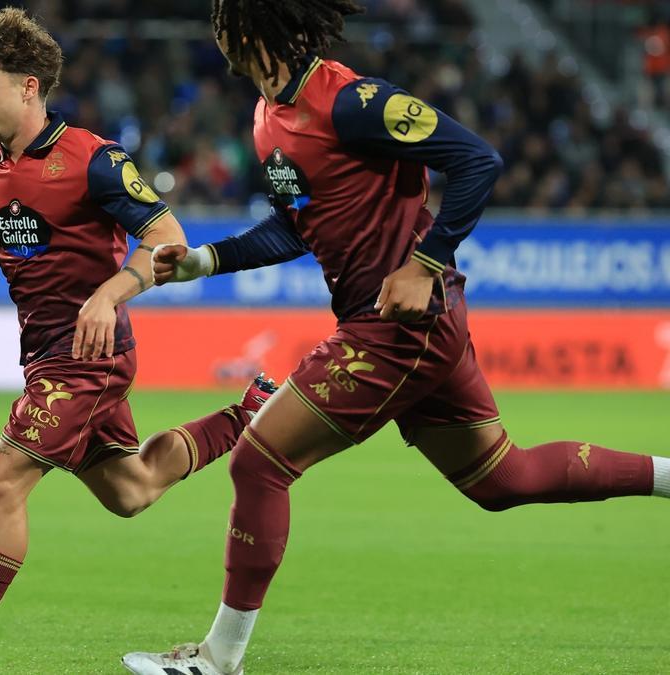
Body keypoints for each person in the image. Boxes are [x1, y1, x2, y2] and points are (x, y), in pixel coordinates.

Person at [121, 2, 670, 673]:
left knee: (259, 459)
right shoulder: (268, 122)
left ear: (247, 34)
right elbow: (296, 227)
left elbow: (478, 160)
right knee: (504, 476)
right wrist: (206, 260)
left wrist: (426, 261)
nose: (219, 39)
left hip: (401, 326)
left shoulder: (353, 101)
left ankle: (218, 659)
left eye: (225, 25)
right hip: (397, 325)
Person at [0, 8, 272, 674]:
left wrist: (110, 292)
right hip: (47, 357)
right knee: (131, 490)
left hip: (87, 358)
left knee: (3, 480)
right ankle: (248, 412)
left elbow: (167, 237)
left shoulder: (93, 159)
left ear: (28, 87)